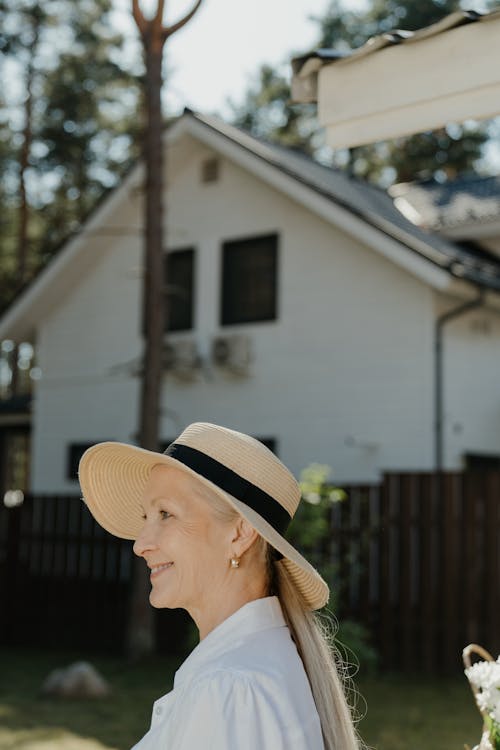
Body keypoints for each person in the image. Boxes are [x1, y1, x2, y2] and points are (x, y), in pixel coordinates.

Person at [79, 421, 361, 750]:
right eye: (146, 518)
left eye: (166, 514)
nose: (140, 544)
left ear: (239, 534)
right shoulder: (254, 667)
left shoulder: (228, 688)